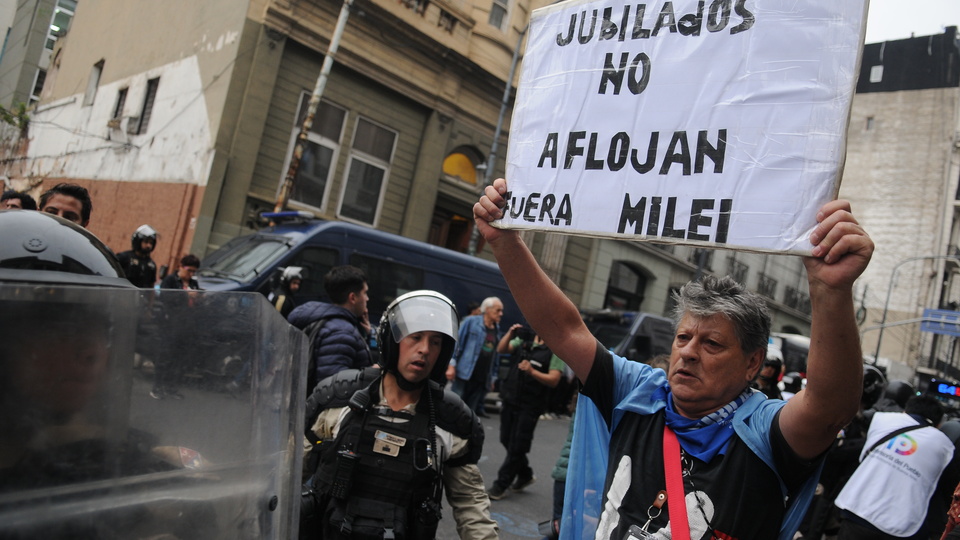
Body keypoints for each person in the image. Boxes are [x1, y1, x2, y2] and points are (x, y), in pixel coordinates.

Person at [474, 177, 874, 539]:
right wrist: (503, 241)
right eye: (683, 337)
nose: (688, 352)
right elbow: (566, 329)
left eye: (712, 344)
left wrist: (830, 291)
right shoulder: (639, 393)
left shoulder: (765, 432)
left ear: (752, 364)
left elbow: (828, 409)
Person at [299, 290, 499, 540]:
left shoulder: (451, 422)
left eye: (435, 342)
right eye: (415, 337)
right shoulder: (337, 401)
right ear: (391, 341)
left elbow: (471, 506)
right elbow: (288, 475)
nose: (425, 350)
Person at [835, 395, 954, 539]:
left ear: (906, 410)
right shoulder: (943, 444)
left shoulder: (882, 420)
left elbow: (862, 457)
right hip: (897, 526)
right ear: (937, 423)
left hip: (856, 509)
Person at [487, 324, 565, 500]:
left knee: (517, 446)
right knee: (505, 439)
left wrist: (532, 371)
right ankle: (525, 474)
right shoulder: (524, 339)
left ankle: (501, 484)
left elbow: (554, 379)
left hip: (531, 404)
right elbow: (501, 349)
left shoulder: (555, 349)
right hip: (511, 398)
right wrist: (510, 333)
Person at [287, 265, 372, 391]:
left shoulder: (327, 320)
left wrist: (369, 334)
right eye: (365, 293)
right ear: (352, 298)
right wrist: (370, 375)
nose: (367, 298)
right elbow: (334, 388)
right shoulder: (341, 333)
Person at [446, 297, 506, 418]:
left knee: (469, 414)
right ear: (487, 310)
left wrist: (493, 377)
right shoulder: (471, 322)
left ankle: (462, 436)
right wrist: (451, 365)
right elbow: (458, 343)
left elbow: (496, 356)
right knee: (454, 407)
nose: (501, 314)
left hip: (482, 377)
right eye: (498, 310)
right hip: (464, 374)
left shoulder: (497, 329)